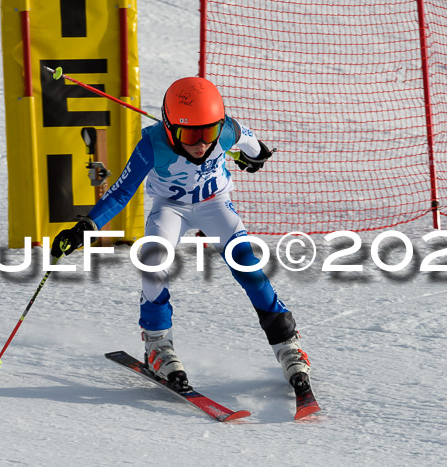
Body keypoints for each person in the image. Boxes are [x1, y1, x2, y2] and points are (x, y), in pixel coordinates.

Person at [51, 77, 311, 393]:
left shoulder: (226, 131)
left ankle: (286, 342)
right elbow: (120, 193)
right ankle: (157, 344)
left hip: (214, 205)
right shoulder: (151, 144)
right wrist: (86, 227)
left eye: (210, 132)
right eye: (190, 134)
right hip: (170, 208)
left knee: (247, 264)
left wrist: (257, 156)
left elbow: (251, 144)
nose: (202, 143)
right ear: (171, 128)